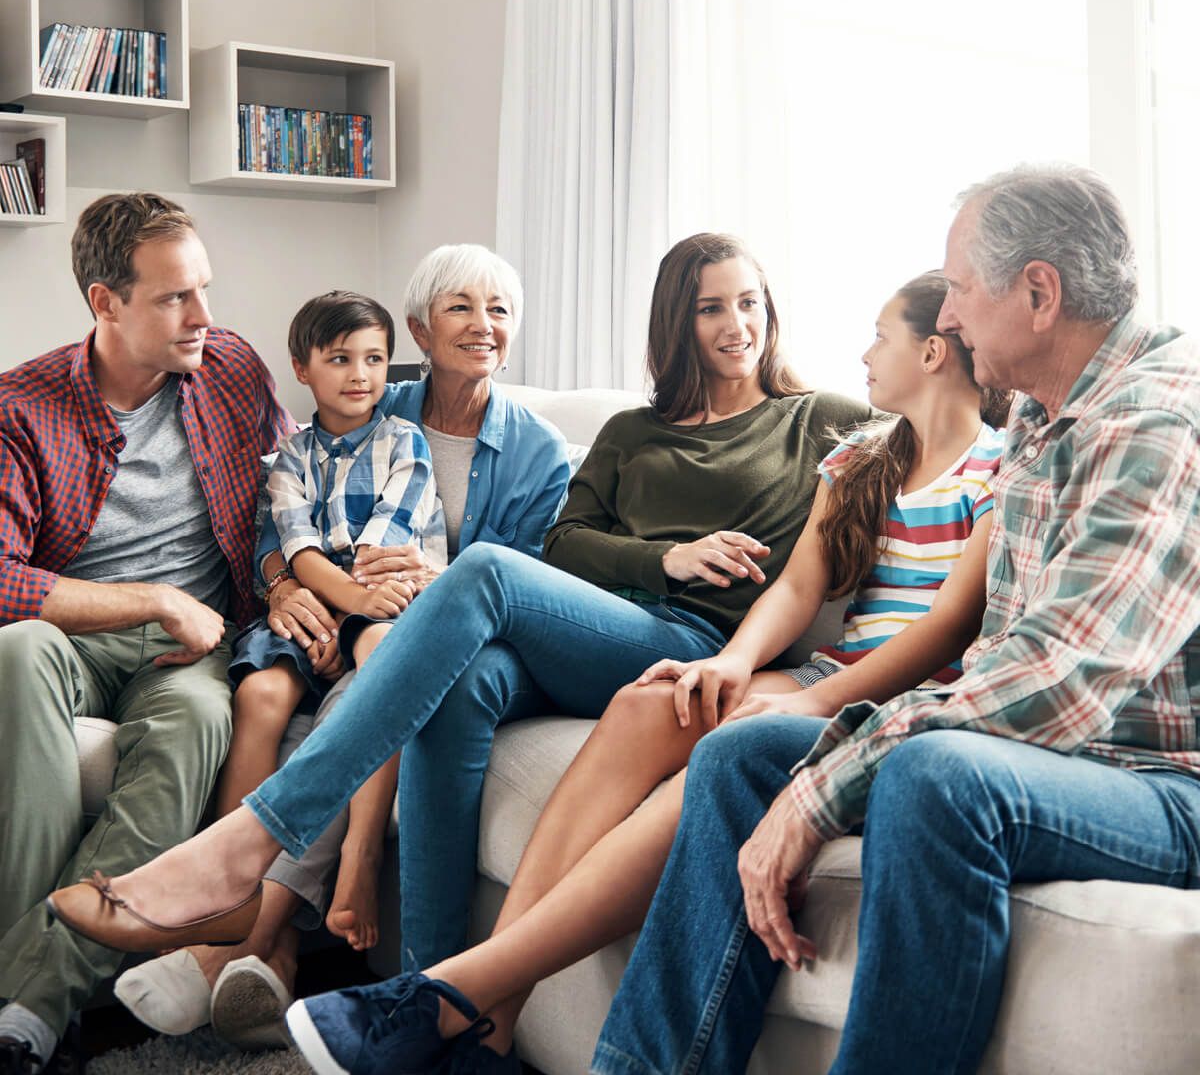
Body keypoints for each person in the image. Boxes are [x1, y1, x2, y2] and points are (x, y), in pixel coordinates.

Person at [44, 232, 871, 1023]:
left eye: (751, 303)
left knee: (480, 571)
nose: (738, 326)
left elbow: (946, 426)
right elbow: (568, 545)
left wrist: (681, 577)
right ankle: (424, 998)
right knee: (460, 683)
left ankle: (246, 842)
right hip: (603, 626)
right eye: (711, 309)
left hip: (691, 639)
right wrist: (666, 556)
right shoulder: (629, 431)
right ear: (675, 323)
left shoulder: (819, 420)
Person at [281, 268, 1010, 1074]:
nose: (864, 352)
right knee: (643, 702)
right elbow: (801, 584)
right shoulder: (862, 456)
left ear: (936, 352)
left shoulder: (995, 470)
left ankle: (443, 987)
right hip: (808, 669)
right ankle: (490, 1023)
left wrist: (804, 694)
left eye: (880, 336)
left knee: (692, 729)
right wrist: (734, 664)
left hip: (900, 698)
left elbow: (950, 627)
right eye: (710, 308)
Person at [586, 164, 1200, 1075]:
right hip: (1050, 754)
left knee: (938, 775)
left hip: (1157, 780)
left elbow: (1059, 677)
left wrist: (825, 784)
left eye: (957, 289)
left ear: (1038, 292)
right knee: (738, 753)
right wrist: (812, 762)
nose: (946, 318)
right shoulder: (1041, 415)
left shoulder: (1156, 424)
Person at [114, 246, 570, 1048]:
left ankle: (256, 927)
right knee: (279, 693)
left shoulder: (534, 449)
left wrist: (427, 584)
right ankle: (270, 955)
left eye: (499, 309)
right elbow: (276, 522)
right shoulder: (372, 405)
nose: (484, 326)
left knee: (388, 666)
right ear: (421, 332)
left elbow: (530, 580)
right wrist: (288, 588)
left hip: (435, 634)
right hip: (336, 610)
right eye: (462, 308)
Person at [0, 193, 293, 1075]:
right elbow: (4, 577)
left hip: (194, 650)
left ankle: (27, 1009)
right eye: (175, 298)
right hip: (83, 632)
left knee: (203, 720)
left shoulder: (232, 368)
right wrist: (158, 597)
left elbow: (291, 494)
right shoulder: (23, 406)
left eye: (204, 289)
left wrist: (298, 578)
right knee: (14, 653)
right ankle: (35, 993)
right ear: (105, 303)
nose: (204, 317)